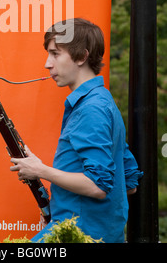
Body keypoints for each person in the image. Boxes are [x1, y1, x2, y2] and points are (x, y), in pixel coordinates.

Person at [10, 18, 143, 243]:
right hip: (85, 232)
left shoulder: (91, 109)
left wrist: (39, 170)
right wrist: (62, 212)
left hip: (79, 235)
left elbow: (98, 186)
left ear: (82, 56)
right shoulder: (103, 102)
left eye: (55, 53)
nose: (47, 64)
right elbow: (129, 184)